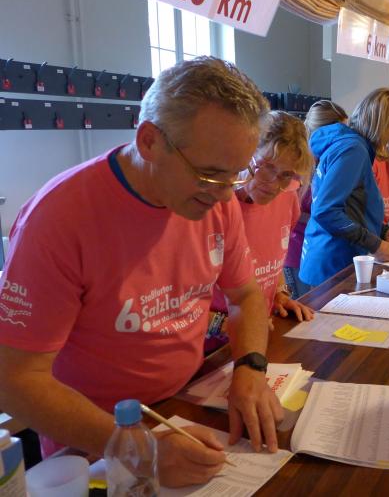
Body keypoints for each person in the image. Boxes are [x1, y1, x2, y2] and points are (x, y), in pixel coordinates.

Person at [0, 57, 284, 488]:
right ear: (150, 141)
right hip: (93, 441)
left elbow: (244, 296)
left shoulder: (216, 200)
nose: (226, 194)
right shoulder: (60, 218)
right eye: (209, 174)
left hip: (181, 405)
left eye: (236, 174)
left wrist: (250, 367)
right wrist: (137, 448)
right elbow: (14, 379)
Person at [207, 111, 315, 352]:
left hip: (258, 334)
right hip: (209, 346)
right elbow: (177, 301)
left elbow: (272, 258)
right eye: (267, 167)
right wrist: (223, 324)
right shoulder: (211, 205)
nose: (274, 184)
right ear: (245, 156)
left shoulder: (288, 197)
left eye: (286, 174)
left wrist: (279, 294)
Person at [300, 88, 389, 287]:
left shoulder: (354, 147)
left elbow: (352, 206)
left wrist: (383, 231)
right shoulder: (353, 150)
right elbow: (326, 211)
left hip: (334, 259)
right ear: (382, 124)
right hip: (331, 263)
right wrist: (375, 244)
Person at [283, 100, 348, 299]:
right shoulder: (299, 166)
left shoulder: (331, 162)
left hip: (322, 253)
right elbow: (288, 214)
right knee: (306, 309)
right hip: (297, 253)